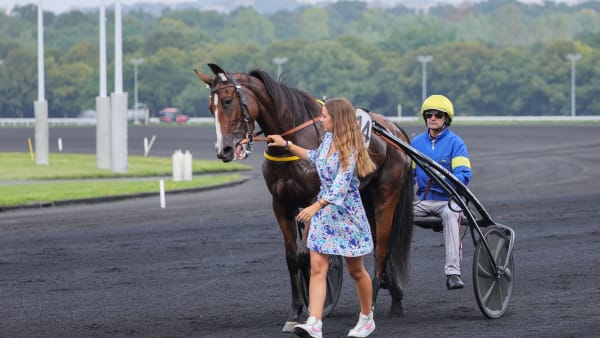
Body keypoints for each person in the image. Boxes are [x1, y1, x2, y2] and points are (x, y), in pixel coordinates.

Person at [267, 97, 377, 338]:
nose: (321, 119)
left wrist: (314, 207)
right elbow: (314, 157)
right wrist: (285, 144)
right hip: (325, 215)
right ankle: (314, 322)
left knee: (356, 271)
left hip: (347, 215)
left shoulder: (349, 147)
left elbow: (340, 187)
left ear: (337, 119)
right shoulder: (327, 139)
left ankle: (367, 318)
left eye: (324, 116)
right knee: (317, 267)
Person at [411, 94, 472, 290]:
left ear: (446, 119)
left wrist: (445, 179)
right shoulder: (416, 143)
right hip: (424, 202)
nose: (433, 118)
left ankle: (453, 273)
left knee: (450, 215)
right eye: (429, 114)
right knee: (396, 214)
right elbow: (409, 176)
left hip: (449, 201)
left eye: (438, 114)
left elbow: (464, 175)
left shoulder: (456, 144)